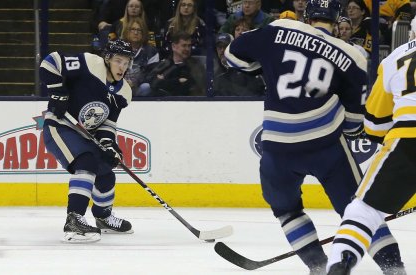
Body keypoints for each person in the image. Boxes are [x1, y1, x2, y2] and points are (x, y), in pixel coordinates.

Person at [225, 0, 405, 274]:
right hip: (326, 146)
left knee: (287, 211)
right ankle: (394, 268)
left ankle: (318, 266)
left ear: (307, 16)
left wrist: (268, 68)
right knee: (360, 210)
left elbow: (232, 56)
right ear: (336, 20)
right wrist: (349, 129)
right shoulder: (352, 54)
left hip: (277, 147)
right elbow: (356, 118)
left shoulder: (278, 28)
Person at [326, 16, 416, 275]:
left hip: (406, 141)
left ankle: (342, 261)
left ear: (411, 34)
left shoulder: (394, 59)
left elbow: (375, 124)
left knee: (363, 209)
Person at [39, 39, 135, 243]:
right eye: (118, 61)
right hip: (59, 126)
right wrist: (58, 91)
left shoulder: (124, 91)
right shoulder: (89, 63)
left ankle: (103, 217)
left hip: (84, 134)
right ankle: (74, 220)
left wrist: (109, 145)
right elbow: (50, 61)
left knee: (106, 172)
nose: (122, 67)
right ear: (107, 58)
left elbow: (108, 123)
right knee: (86, 162)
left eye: (126, 63)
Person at [138, 31, 206, 96]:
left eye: (189, 46)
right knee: (145, 87)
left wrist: (162, 82)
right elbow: (152, 82)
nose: (187, 49)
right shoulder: (165, 63)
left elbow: (186, 87)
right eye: (184, 45)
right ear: (173, 46)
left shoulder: (194, 65)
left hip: (183, 102)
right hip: (159, 101)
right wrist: (177, 81)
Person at [121, 17, 159, 95]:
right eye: (133, 29)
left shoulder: (151, 51)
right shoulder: (119, 49)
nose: (136, 33)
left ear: (144, 33)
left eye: (139, 30)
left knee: (146, 87)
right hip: (119, 85)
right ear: (127, 31)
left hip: (139, 87)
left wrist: (135, 83)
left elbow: (151, 74)